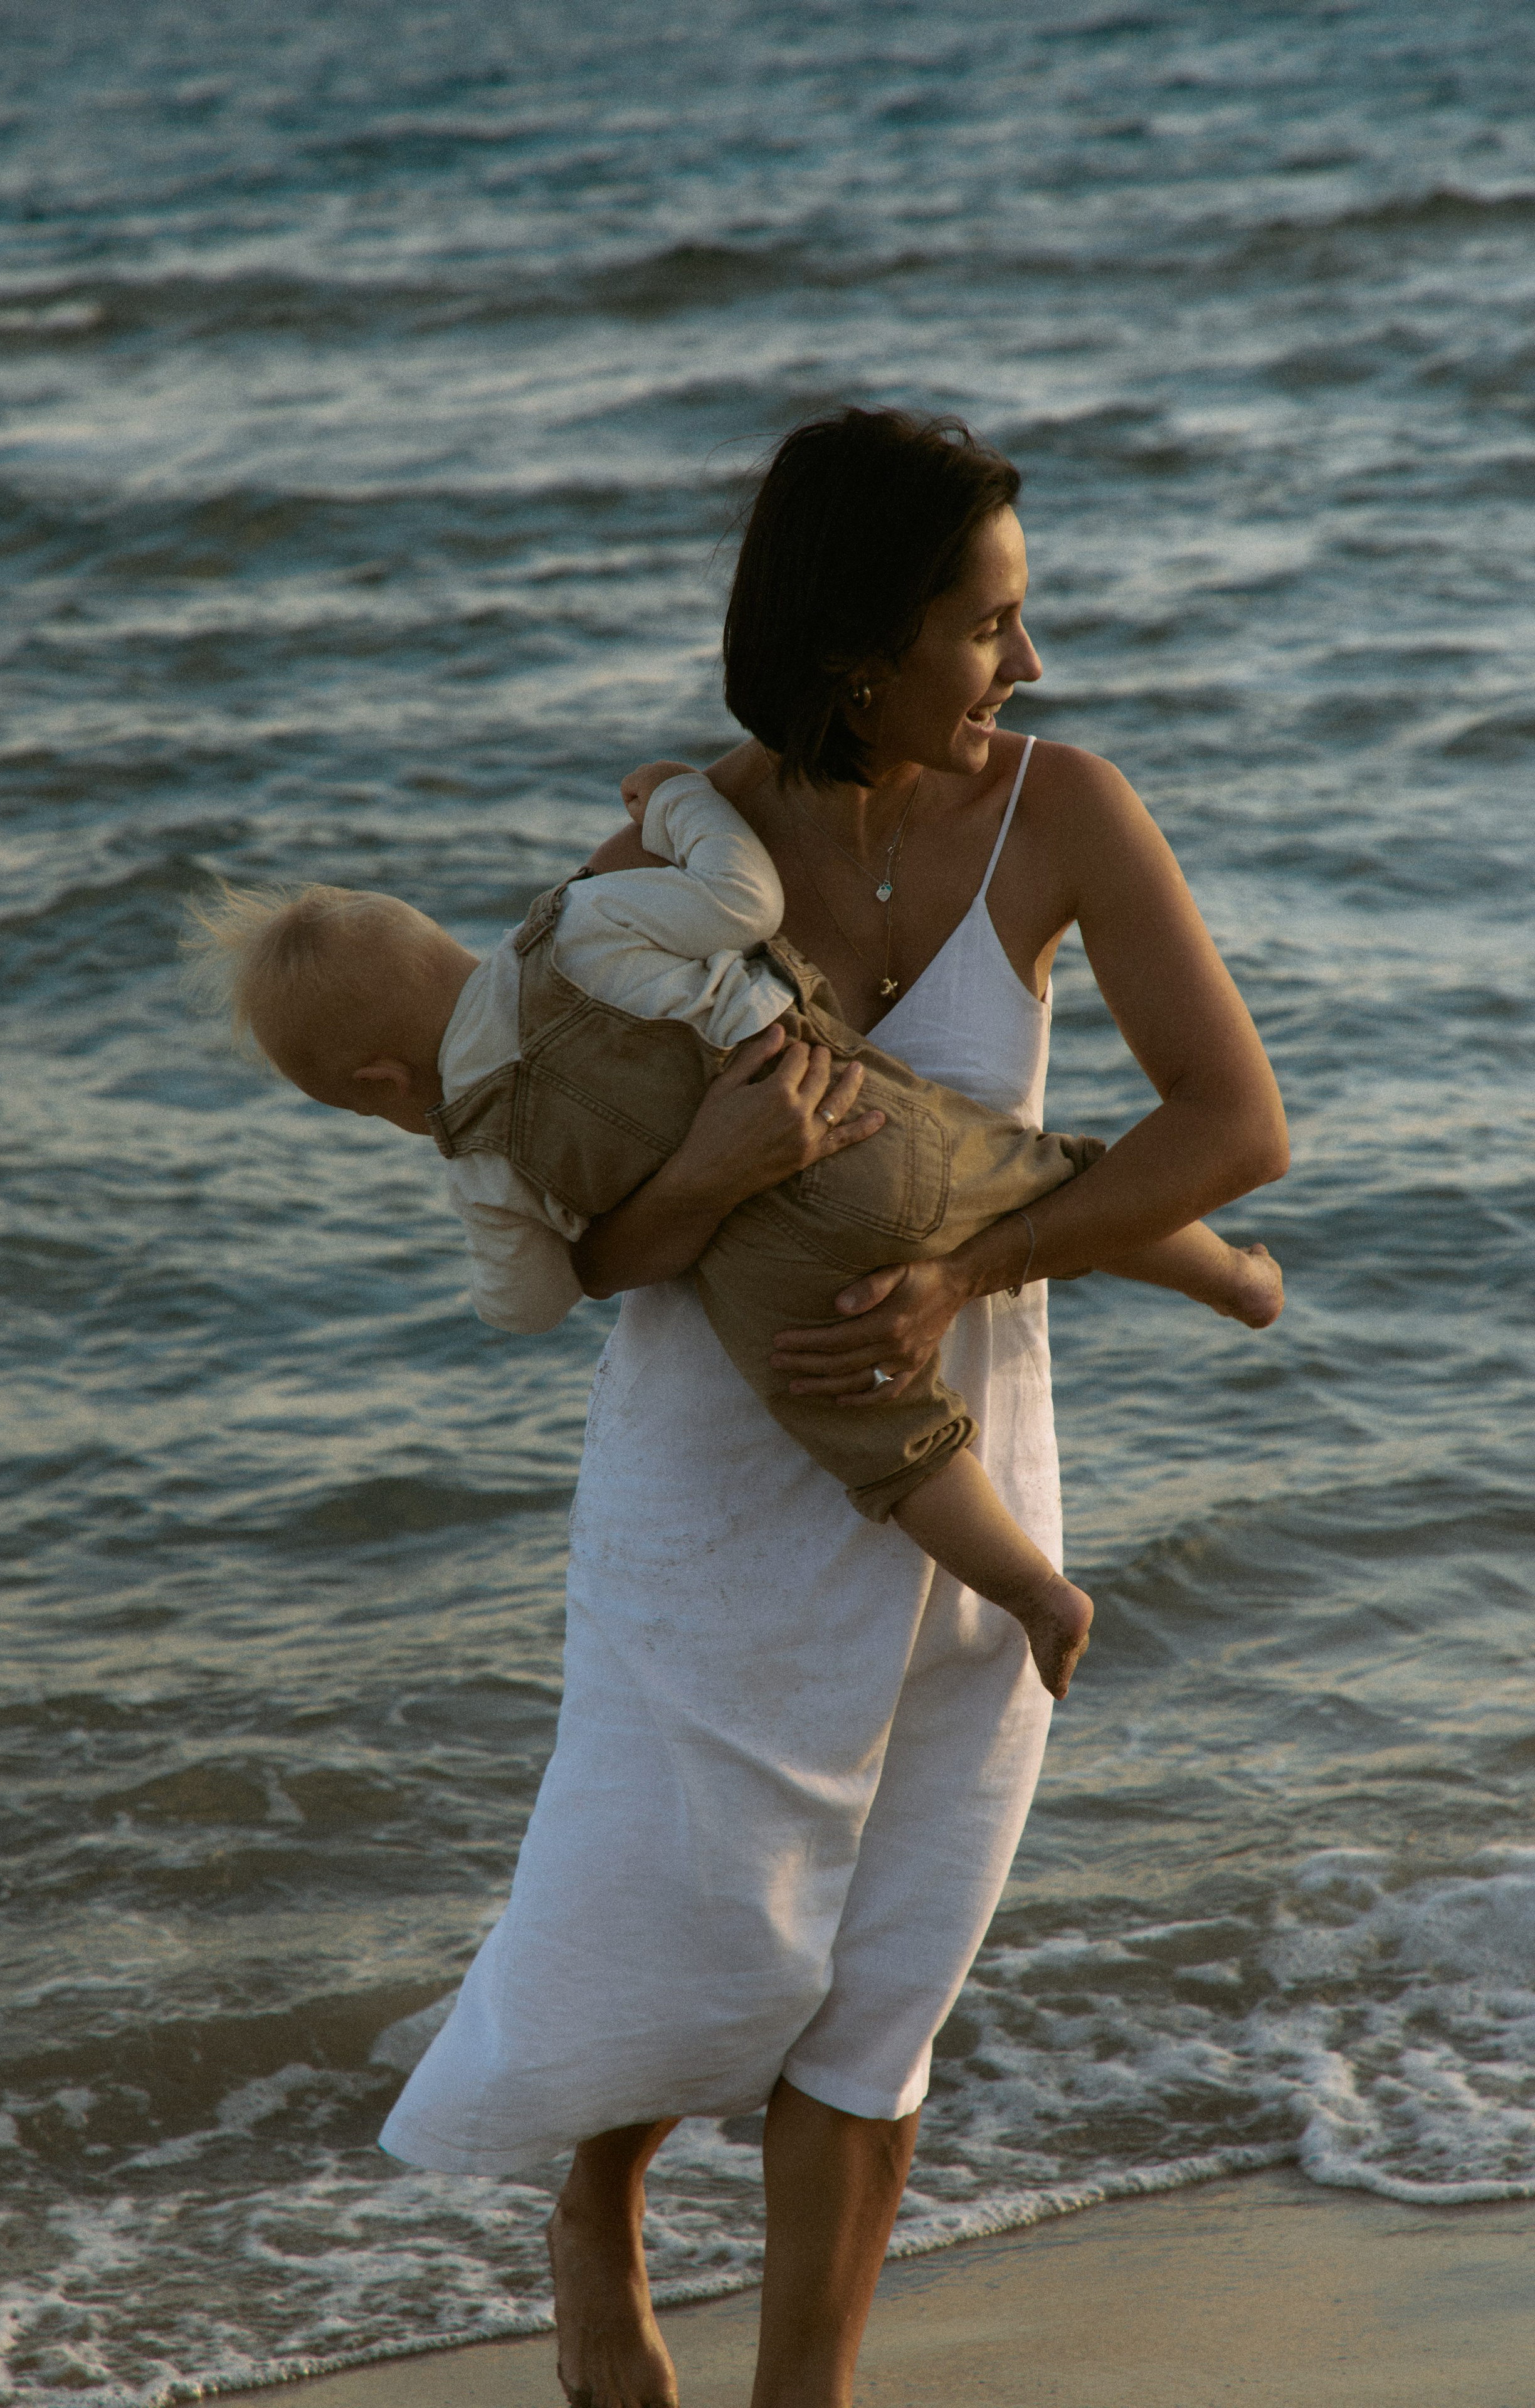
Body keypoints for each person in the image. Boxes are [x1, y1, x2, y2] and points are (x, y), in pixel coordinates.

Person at [386, 405, 1287, 2408]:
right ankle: (594, 2210)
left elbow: (1237, 1129)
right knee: (663, 1917)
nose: (1026, 665)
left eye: (1019, 617)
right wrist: (707, 1169)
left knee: (881, 1996)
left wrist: (967, 1271)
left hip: (961, 1460)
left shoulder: (1068, 814)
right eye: (987, 626)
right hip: (708, 1477)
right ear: (858, 646)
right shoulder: (674, 852)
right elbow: (576, 1251)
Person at [189, 766, 1274, 1700]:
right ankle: (1228, 1278)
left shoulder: (478, 1152)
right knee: (1051, 1181)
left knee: (885, 1437)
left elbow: (528, 1303)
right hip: (859, 1128)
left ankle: (1036, 1593)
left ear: (380, 1083)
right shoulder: (581, 922)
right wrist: (677, 801)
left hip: (774, 1270)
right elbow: (745, 898)